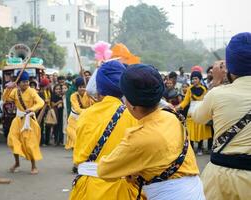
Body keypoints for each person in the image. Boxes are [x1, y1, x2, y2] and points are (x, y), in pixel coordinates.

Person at [97, 64, 205, 200]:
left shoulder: (139, 137)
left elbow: (104, 170)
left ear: (130, 103)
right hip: (196, 192)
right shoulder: (172, 116)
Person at [192, 32, 251, 199]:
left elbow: (198, 117)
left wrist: (216, 83)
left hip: (220, 178)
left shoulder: (217, 94)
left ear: (230, 67)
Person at [69, 60, 140, 200]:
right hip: (118, 188)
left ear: (99, 86)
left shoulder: (85, 115)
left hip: (86, 188)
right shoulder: (133, 115)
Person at [3, 71, 44, 174]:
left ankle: (34, 166)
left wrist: (32, 109)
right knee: (13, 140)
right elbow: (5, 99)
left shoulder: (32, 91)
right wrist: (8, 88)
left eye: (27, 82)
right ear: (18, 83)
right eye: (23, 82)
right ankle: (17, 163)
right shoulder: (15, 91)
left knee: (30, 143)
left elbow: (41, 102)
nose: (26, 84)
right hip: (17, 119)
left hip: (29, 120)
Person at [178, 71, 211, 155]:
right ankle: (191, 148)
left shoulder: (204, 89)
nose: (194, 80)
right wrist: (178, 107)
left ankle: (200, 148)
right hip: (191, 112)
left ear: (200, 79)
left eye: (196, 78)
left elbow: (207, 101)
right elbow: (185, 101)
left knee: (200, 129)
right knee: (191, 130)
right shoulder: (189, 89)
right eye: (193, 79)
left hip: (201, 111)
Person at [65, 77, 93, 150]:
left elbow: (95, 104)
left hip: (84, 119)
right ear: (77, 87)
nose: (82, 89)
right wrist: (88, 111)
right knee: (74, 138)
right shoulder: (73, 96)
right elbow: (77, 109)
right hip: (74, 119)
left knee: (83, 138)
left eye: (84, 87)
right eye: (80, 87)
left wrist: (92, 97)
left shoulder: (89, 95)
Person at [38, 78, 52, 146]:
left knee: (47, 125)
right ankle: (42, 141)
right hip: (42, 111)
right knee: (42, 127)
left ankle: (47, 141)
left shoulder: (48, 91)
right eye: (48, 83)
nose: (49, 85)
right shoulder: (40, 93)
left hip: (47, 110)